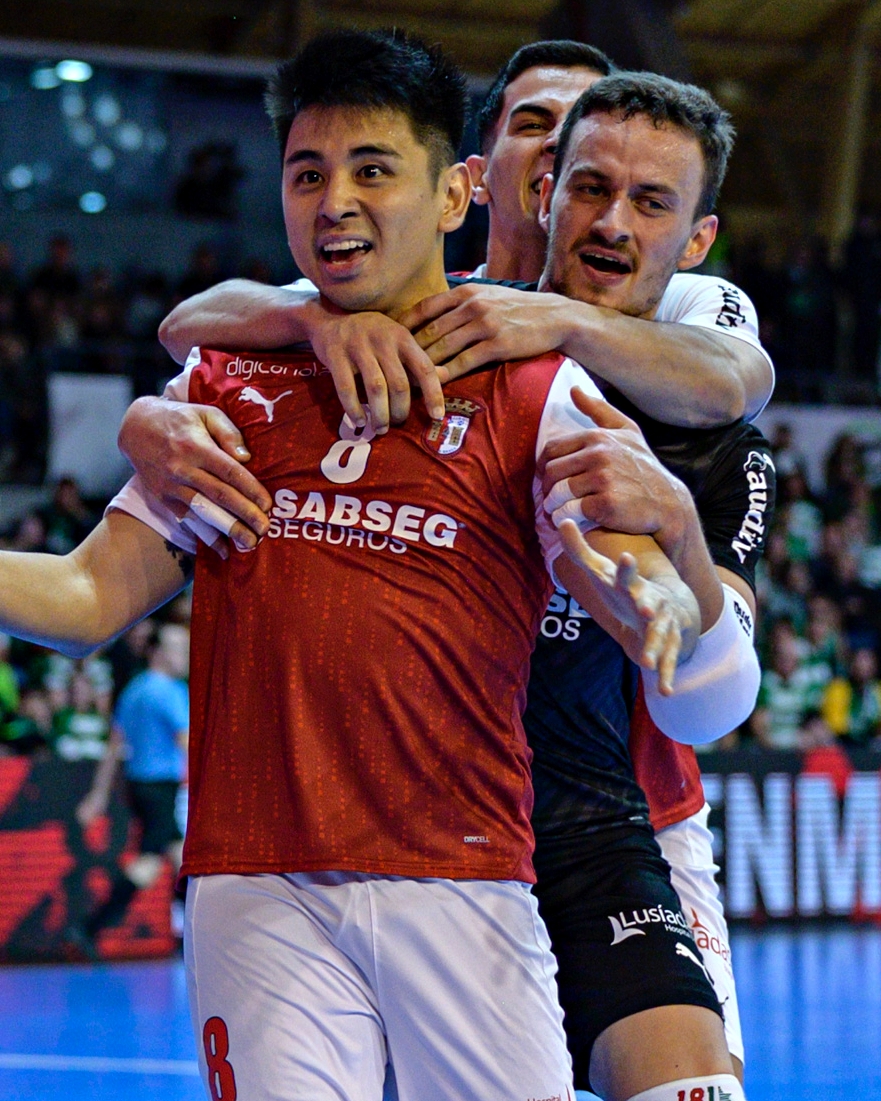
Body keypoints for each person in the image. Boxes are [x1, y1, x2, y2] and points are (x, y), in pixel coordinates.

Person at [0, 30, 756, 1101]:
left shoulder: (542, 381)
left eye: (372, 171)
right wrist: (280, 332)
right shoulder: (230, 384)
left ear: (453, 193)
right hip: (257, 880)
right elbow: (87, 594)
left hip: (475, 872)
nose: (335, 202)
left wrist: (660, 570)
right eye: (307, 174)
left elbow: (645, 584)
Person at [72, 621, 189, 954]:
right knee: (149, 866)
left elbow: (114, 747)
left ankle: (189, 934)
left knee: (181, 859)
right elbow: (188, 743)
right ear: (158, 652)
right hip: (160, 789)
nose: (185, 655)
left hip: (138, 786)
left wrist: (98, 795)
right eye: (178, 648)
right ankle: (89, 927)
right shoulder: (168, 691)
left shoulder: (135, 689)